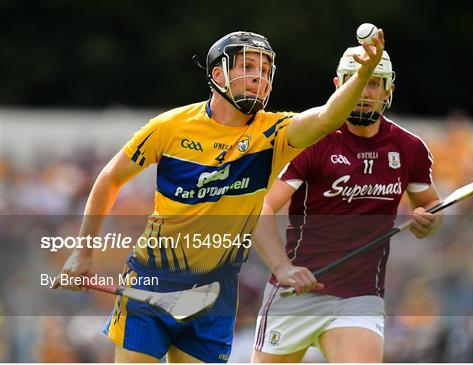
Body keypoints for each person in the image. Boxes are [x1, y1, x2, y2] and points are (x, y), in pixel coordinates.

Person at [53, 30, 385, 363]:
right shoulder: (169, 127)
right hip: (152, 278)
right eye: (249, 66)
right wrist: (83, 252)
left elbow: (328, 116)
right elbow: (110, 178)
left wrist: (362, 75)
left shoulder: (273, 134)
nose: (259, 77)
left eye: (266, 71)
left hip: (217, 292)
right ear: (218, 74)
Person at [251, 45, 444, 363]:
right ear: (338, 86)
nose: (364, 91)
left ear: (388, 90)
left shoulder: (409, 149)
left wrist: (429, 221)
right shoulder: (311, 140)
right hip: (298, 292)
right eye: (356, 80)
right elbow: (261, 206)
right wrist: (281, 267)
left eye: (374, 82)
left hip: (359, 297)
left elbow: (431, 208)